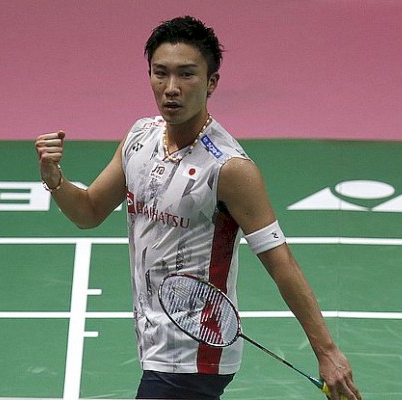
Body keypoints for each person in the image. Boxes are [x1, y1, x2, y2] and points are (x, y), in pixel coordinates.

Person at [35, 15, 361, 400]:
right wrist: (54, 178)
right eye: (161, 73)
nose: (171, 88)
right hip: (153, 339)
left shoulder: (230, 169)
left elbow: (281, 262)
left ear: (212, 82)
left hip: (196, 352)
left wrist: (327, 352)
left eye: (187, 75)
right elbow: (88, 212)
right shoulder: (140, 138)